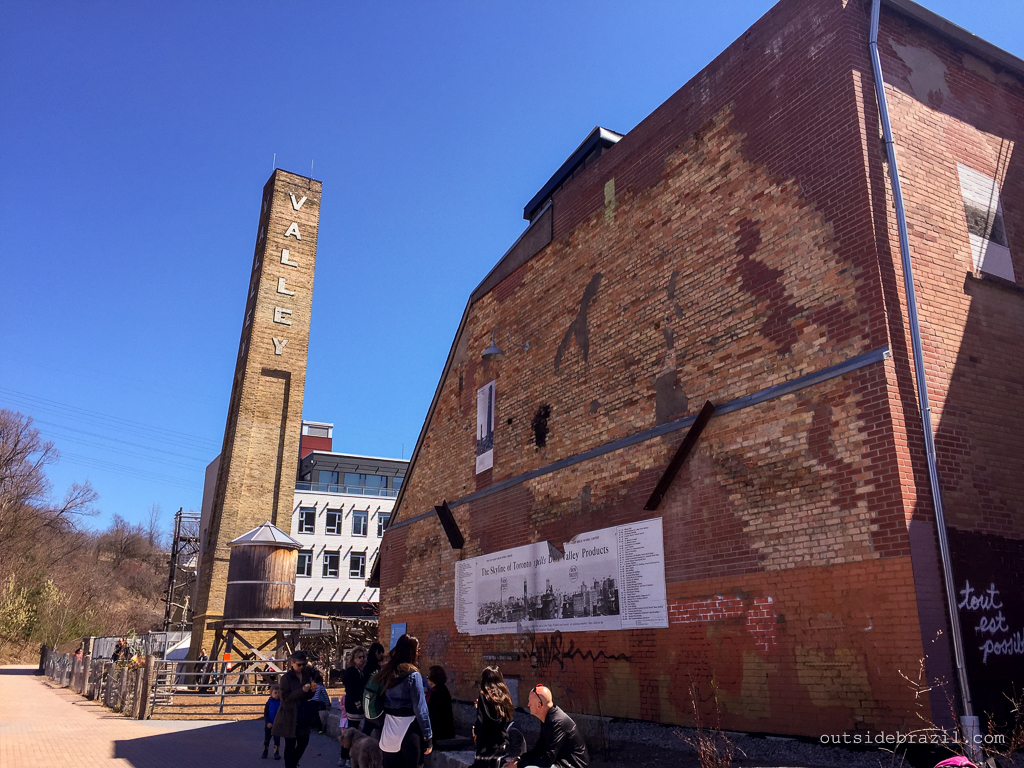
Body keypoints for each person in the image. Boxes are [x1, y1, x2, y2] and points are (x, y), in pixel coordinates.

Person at [371, 634, 432, 768]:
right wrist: (428, 737)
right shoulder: (413, 675)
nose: (418, 653)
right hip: (409, 730)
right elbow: (420, 708)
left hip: (388, 730)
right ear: (411, 652)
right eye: (417, 650)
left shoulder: (386, 672)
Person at [504, 685, 587, 768]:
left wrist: (518, 765)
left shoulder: (556, 722)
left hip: (573, 765)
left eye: (530, 702)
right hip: (560, 762)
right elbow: (539, 749)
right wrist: (519, 759)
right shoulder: (548, 718)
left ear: (539, 705)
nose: (528, 705)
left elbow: (547, 759)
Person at [272, 651, 316, 768]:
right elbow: (285, 698)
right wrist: (301, 690)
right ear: (292, 663)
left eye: (304, 664)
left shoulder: (306, 674)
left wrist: (311, 692)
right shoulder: (286, 678)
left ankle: (292, 763)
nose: (301, 667)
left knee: (304, 741)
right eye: (299, 665)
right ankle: (290, 765)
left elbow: (307, 696)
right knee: (290, 744)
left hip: (303, 712)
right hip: (290, 715)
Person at [473, 666, 516, 768]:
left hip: (485, 744)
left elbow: (482, 721)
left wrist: (475, 732)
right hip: (500, 742)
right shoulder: (505, 695)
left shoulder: (484, 695)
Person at [340, 648, 368, 767]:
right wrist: (358, 703)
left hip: (355, 705)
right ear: (353, 659)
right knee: (352, 732)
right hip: (354, 705)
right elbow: (352, 690)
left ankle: (344, 756)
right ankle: (346, 757)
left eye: (363, 657)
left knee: (352, 730)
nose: (362, 659)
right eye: (359, 657)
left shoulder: (359, 671)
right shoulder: (352, 672)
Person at [361, 642, 386, 735]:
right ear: (375, 652)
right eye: (380, 652)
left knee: (368, 726)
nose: (381, 655)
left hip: (369, 699)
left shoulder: (370, 666)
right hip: (374, 699)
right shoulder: (372, 668)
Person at [426, 665, 456, 741]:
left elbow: (432, 712)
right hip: (444, 729)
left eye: (428, 677)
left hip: (440, 730)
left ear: (432, 678)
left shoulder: (438, 692)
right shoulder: (441, 689)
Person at [263, 684, 282, 760]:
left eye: (278, 693)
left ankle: (276, 752)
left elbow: (282, 714)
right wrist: (267, 722)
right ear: (271, 693)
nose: (277, 695)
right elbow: (266, 714)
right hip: (269, 725)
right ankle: (265, 751)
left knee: (277, 739)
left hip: (277, 725)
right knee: (267, 739)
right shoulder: (269, 703)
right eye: (275, 693)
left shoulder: (281, 703)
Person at [311, 668, 332, 733]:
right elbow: (325, 696)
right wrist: (328, 704)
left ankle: (312, 726)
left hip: (310, 701)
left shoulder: (312, 685)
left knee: (312, 713)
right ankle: (320, 729)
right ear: (320, 682)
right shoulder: (320, 687)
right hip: (316, 702)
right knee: (317, 714)